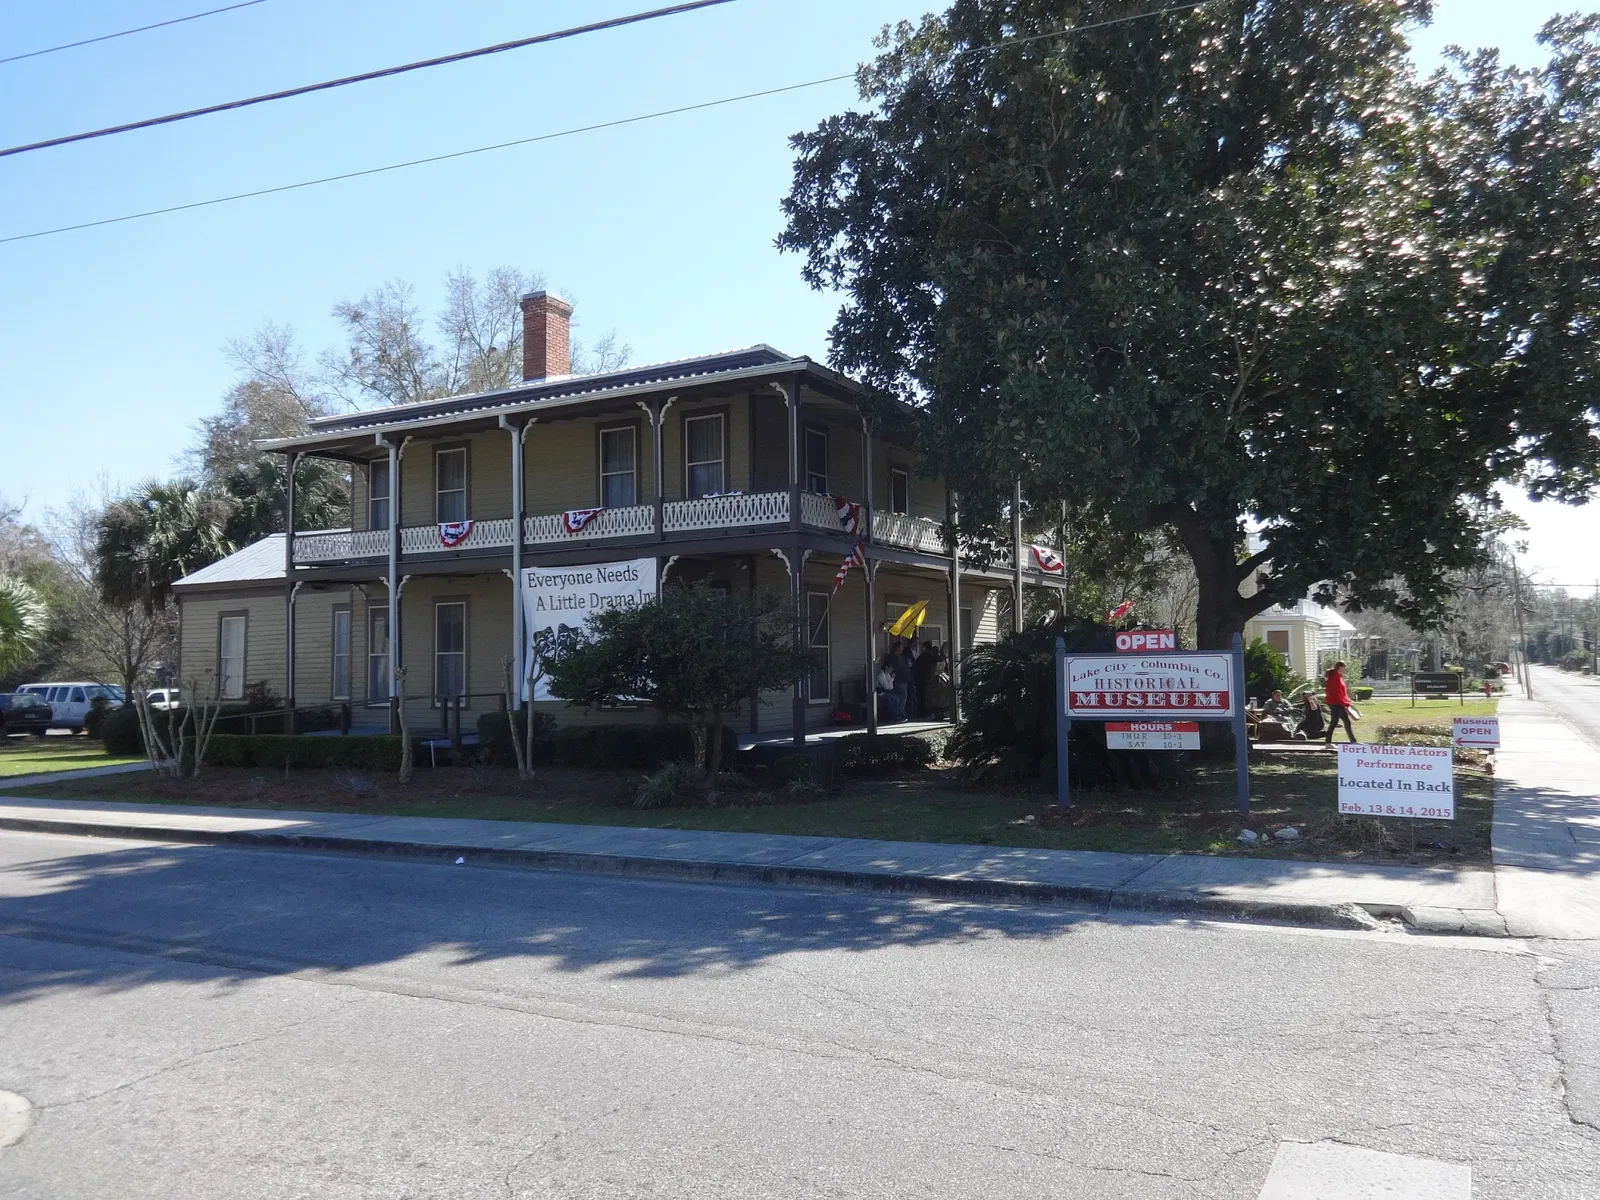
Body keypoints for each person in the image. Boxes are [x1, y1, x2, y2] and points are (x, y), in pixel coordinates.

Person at [1323, 661, 1359, 744]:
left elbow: (1342, 692)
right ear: (1340, 668)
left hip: (1340, 703)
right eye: (1344, 668)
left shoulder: (1339, 677)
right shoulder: (1334, 678)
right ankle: (1327, 742)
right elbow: (1336, 693)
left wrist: (1346, 700)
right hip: (1335, 703)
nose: (1345, 670)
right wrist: (1345, 703)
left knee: (1347, 722)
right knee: (1334, 723)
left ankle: (1353, 741)